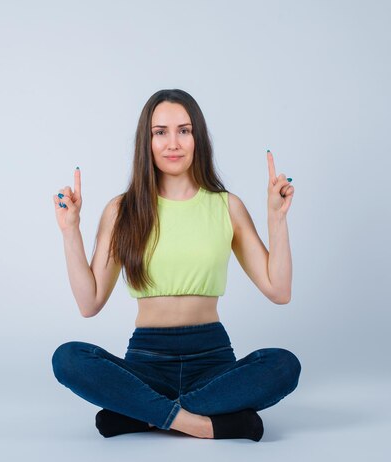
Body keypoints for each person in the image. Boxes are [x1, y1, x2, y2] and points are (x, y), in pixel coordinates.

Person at [51, 89, 301, 441]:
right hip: (146, 361)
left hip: (212, 360)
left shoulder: (227, 206)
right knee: (68, 358)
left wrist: (277, 219)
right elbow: (89, 303)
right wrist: (70, 231)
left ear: (197, 137)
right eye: (160, 132)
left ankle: (143, 414)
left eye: (184, 130)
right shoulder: (122, 210)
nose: (173, 143)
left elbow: (280, 291)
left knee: (283, 365)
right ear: (147, 141)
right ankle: (205, 423)